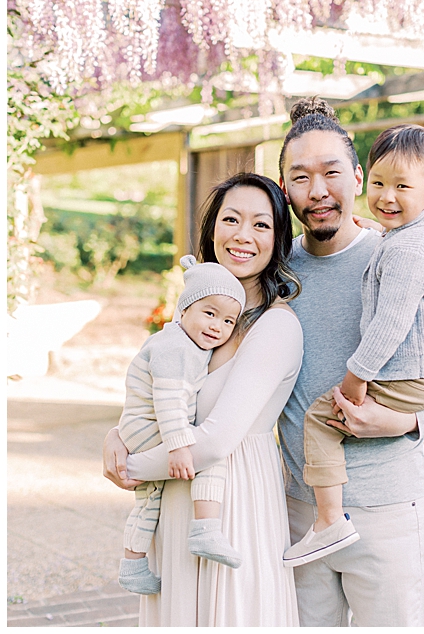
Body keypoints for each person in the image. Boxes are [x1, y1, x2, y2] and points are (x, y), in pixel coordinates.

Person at [277, 98, 424, 626]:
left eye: (331, 172)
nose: (318, 190)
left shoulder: (403, 255)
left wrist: (408, 421)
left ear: (358, 175)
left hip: (390, 513)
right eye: (300, 177)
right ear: (285, 189)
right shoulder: (273, 273)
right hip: (301, 513)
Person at [104, 173, 304, 626]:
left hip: (234, 496)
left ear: (279, 240)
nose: (242, 236)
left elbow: (214, 442)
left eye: (261, 225)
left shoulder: (275, 327)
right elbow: (157, 392)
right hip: (177, 494)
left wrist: (128, 468)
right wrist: (117, 434)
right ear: (212, 229)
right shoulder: (195, 324)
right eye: (231, 219)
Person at [118, 255, 247, 595]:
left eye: (228, 321)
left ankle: (132, 565)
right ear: (184, 309)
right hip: (150, 424)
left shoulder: (185, 343)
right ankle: (205, 529)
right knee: (211, 456)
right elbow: (169, 399)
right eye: (209, 313)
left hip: (140, 426)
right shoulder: (176, 346)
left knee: (149, 498)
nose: (217, 326)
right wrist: (178, 446)